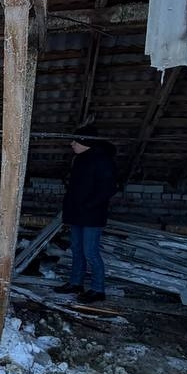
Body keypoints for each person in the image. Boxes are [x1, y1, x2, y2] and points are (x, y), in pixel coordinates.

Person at [54, 126, 118, 303]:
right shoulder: (79, 159)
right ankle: (76, 283)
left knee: (90, 252)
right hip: (77, 214)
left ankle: (98, 289)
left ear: (86, 142)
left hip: (91, 215)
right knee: (77, 250)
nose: (72, 144)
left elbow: (108, 189)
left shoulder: (103, 160)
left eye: (76, 141)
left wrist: (88, 205)